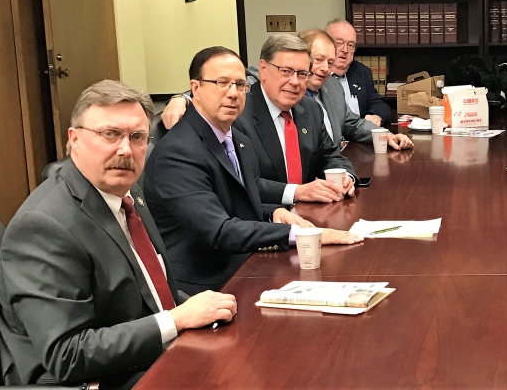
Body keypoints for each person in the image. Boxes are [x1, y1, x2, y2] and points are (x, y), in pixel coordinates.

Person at [0, 80, 238, 389]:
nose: (125, 149)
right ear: (75, 139)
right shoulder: (43, 227)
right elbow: (66, 356)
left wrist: (208, 309)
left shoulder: (127, 193)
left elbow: (150, 295)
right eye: (110, 134)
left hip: (140, 357)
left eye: (137, 136)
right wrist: (177, 319)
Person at [144, 46, 362, 294]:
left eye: (239, 85)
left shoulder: (237, 140)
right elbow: (219, 230)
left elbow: (236, 202)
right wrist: (297, 233)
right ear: (195, 88)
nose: (233, 94)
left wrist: (273, 213)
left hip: (244, 265)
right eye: (222, 83)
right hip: (205, 286)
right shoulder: (178, 153)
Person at [161, 36, 357, 205]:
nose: (295, 82)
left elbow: (331, 156)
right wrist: (296, 192)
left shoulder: (311, 110)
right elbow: (239, 183)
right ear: (263, 69)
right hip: (260, 219)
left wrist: (345, 176)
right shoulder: (237, 112)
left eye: (302, 74)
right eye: (286, 71)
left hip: (306, 215)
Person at [299, 28, 412, 149]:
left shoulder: (333, 87)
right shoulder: (289, 96)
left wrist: (387, 136)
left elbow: (353, 125)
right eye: (319, 60)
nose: (325, 68)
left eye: (330, 62)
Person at [324, 19, 393, 126]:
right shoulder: (317, 74)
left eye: (350, 45)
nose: (345, 50)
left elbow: (379, 104)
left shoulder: (361, 72)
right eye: (339, 43)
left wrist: (375, 115)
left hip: (358, 138)